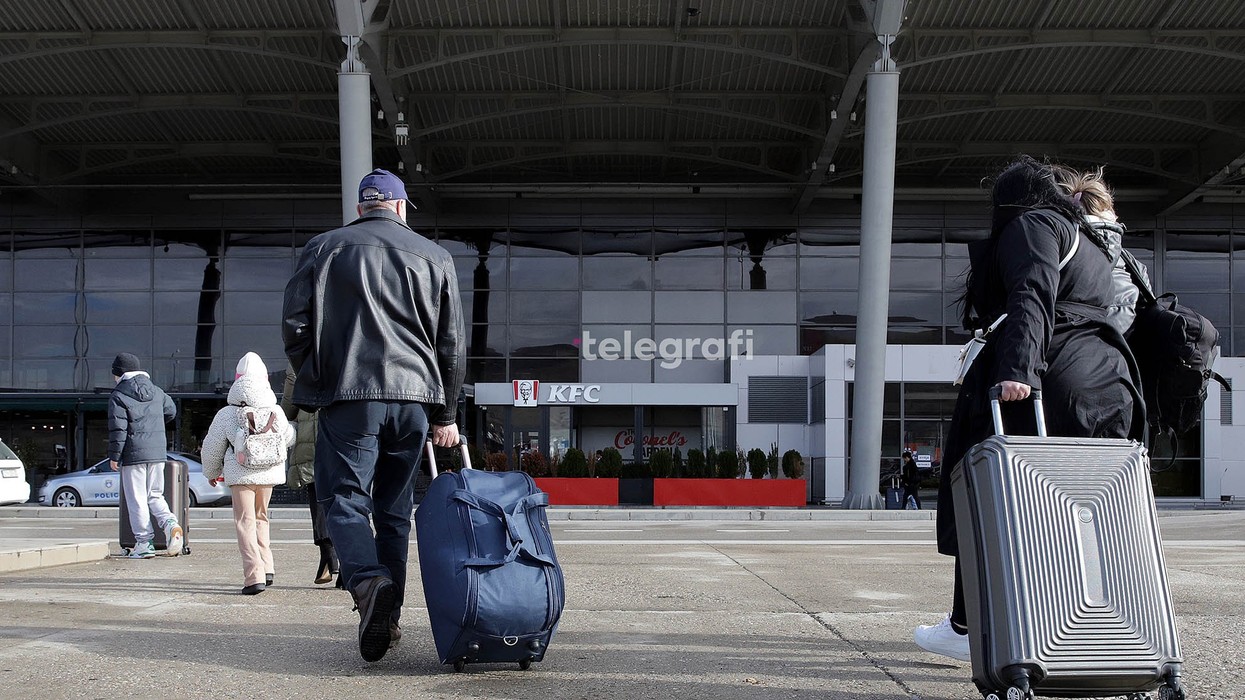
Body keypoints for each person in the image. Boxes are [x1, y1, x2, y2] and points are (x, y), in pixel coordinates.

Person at [913, 156, 1144, 661]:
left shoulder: (1034, 225)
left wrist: (1018, 368)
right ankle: (1090, 622)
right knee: (1082, 512)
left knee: (989, 498)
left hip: (1051, 377)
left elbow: (1032, 294)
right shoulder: (1094, 245)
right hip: (1107, 382)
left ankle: (965, 625)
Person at [283, 168, 465, 662]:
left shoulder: (325, 248)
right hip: (414, 400)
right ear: (400, 207)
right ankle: (392, 616)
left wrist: (318, 378)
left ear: (362, 207)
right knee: (393, 510)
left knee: (343, 499)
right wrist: (446, 413)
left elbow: (295, 326)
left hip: (350, 396)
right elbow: (450, 344)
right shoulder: (436, 257)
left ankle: (368, 587)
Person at [200, 353, 294, 595]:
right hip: (268, 475)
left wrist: (212, 471)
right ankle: (268, 567)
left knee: (245, 522)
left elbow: (212, 447)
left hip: (241, 476)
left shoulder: (227, 413)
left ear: (237, 380)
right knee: (261, 518)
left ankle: (254, 577)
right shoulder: (275, 410)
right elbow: (289, 437)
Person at [108, 352, 183, 559]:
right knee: (155, 495)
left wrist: (114, 456)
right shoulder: (157, 391)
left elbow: (118, 430)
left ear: (120, 373)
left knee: (137, 499)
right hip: (158, 452)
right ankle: (170, 524)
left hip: (133, 455)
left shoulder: (119, 394)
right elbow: (171, 411)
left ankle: (144, 543)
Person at [281, 363, 340, 587]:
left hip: (312, 432)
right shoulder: (348, 338)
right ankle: (346, 562)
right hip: (342, 428)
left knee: (318, 497)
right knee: (347, 497)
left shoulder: (303, 351)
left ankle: (327, 556)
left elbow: (289, 402)